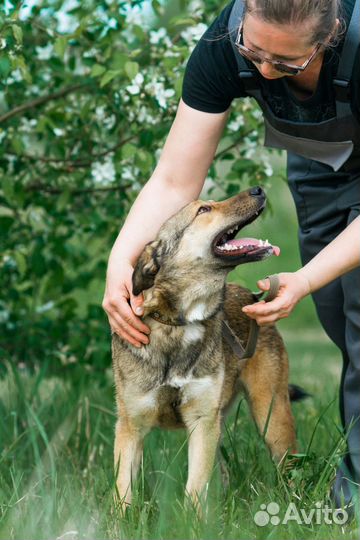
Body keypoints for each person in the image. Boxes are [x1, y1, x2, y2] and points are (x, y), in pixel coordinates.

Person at [103, 0, 360, 509]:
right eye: (254, 52)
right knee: (339, 316)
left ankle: (351, 498)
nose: (264, 72)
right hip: (320, 160)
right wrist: (120, 258)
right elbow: (177, 179)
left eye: (286, 65)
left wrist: (304, 280)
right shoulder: (223, 43)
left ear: (329, 38)